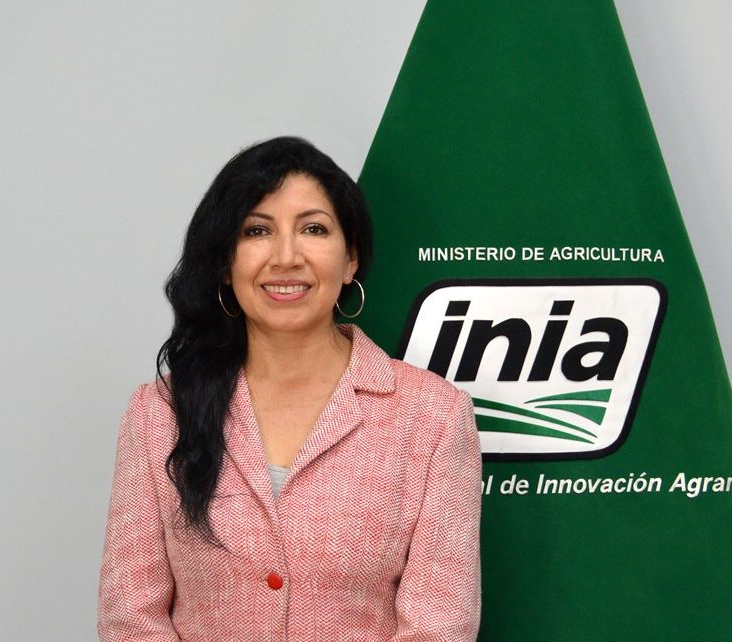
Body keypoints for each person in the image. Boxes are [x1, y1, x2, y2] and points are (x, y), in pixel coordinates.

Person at [98, 137, 482, 641]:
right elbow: (129, 617)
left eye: (313, 229)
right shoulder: (158, 413)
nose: (285, 257)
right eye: (257, 230)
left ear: (351, 259)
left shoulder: (433, 417)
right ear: (225, 262)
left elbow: (441, 625)